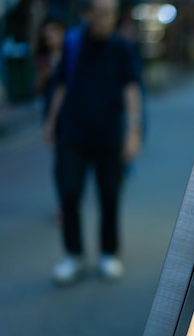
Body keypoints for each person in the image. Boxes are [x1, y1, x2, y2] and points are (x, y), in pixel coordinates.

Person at [43, 0, 143, 285]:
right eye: (98, 14)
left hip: (109, 136)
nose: (103, 20)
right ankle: (73, 255)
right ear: (87, 14)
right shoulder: (73, 45)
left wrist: (133, 131)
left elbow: (131, 87)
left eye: (108, 14)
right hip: (72, 135)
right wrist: (51, 123)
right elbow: (61, 85)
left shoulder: (122, 48)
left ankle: (108, 254)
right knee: (69, 193)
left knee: (110, 195)